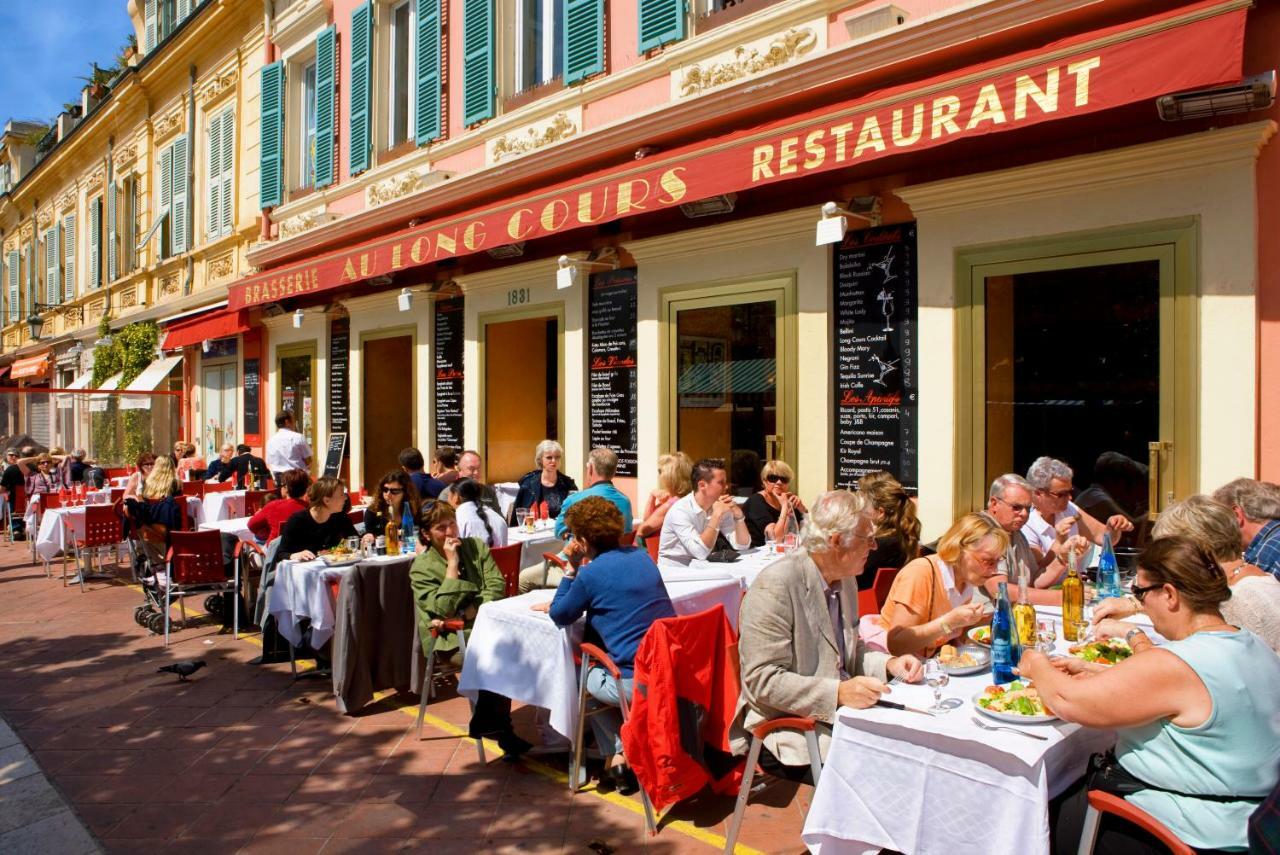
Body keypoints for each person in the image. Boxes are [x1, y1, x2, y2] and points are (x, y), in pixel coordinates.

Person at [1021, 536, 1280, 855]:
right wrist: (1120, 649)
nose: (1140, 604)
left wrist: (1036, 663)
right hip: (1253, 816)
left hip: (1187, 827)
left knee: (1044, 810)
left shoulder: (1178, 664)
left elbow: (1067, 700)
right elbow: (1178, 692)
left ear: (1169, 594)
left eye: (1140, 593)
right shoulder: (1252, 644)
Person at [733, 489, 923, 781]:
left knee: (915, 751)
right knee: (886, 772)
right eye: (867, 539)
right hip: (790, 726)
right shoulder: (776, 586)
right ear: (836, 541)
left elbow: (849, 648)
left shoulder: (845, 579)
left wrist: (888, 665)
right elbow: (763, 681)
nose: (874, 547)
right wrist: (837, 694)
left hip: (842, 714)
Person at [540, 497, 676, 794]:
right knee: (595, 669)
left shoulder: (591, 574)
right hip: (667, 671)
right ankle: (619, 756)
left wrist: (570, 569)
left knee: (575, 675)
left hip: (633, 682)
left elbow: (560, 615)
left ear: (584, 540)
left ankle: (619, 750)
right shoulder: (641, 557)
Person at [409, 501, 530, 757]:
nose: (451, 532)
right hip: (449, 639)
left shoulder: (475, 547)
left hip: (485, 627)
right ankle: (502, 729)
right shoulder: (421, 568)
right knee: (495, 655)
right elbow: (442, 611)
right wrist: (452, 566)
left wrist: (468, 610)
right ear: (426, 534)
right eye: (441, 528)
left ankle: (490, 721)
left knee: (514, 648)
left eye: (452, 523)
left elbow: (496, 586)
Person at [1092, 495, 1280, 653]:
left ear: (1191, 551)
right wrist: (1135, 603)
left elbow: (1187, 673)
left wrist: (1131, 633)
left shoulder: (1236, 603)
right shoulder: (1248, 576)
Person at [875, 513, 1008, 658]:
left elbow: (947, 638)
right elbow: (896, 644)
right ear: (959, 549)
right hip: (895, 668)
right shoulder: (921, 573)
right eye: (988, 561)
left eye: (998, 561)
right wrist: (948, 623)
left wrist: (975, 623)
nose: (995, 570)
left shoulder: (965, 580)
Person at [1022, 456, 1134, 588]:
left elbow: (1104, 538)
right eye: (1061, 494)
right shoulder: (1026, 522)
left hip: (1076, 588)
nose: (1069, 497)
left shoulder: (1068, 508)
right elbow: (1037, 576)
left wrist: (1113, 526)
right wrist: (1059, 541)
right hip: (1048, 597)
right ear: (1038, 493)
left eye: (1070, 491)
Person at [980, 473, 1071, 606]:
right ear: (994, 504)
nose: (1024, 514)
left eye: (1028, 508)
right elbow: (1000, 590)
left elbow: (1035, 581)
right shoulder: (984, 532)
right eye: (1016, 507)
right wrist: (1061, 597)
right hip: (986, 622)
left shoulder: (1016, 533)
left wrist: (1063, 559)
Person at [657, 458, 751, 567]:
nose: (726, 486)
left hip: (701, 569)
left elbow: (742, 545)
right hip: (674, 573)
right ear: (702, 485)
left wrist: (739, 517)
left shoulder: (718, 505)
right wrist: (716, 515)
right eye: (721, 482)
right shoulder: (680, 511)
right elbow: (700, 552)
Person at [855, 471, 920, 591]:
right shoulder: (903, 539)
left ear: (880, 512)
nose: (860, 511)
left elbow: (851, 581)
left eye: (864, 507)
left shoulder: (878, 547)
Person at [554, 447, 633, 538]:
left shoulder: (573, 500)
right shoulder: (625, 501)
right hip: (615, 551)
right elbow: (627, 534)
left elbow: (558, 533)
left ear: (590, 468)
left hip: (585, 551)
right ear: (614, 471)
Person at [276, 476, 358, 562]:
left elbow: (355, 540)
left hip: (333, 569)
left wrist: (366, 538)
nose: (346, 498)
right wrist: (295, 555)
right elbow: (281, 554)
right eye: (342, 495)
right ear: (326, 500)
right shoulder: (298, 520)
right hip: (304, 571)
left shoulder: (340, 517)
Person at [1212, 477, 1280, 579]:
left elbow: (1249, 592)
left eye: (1218, 521)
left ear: (1236, 515)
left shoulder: (1265, 555)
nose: (1216, 532)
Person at [742, 460, 807, 548]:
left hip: (782, 552)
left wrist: (802, 510)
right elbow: (775, 539)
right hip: (758, 554)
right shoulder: (756, 502)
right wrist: (785, 507)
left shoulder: (788, 499)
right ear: (764, 481)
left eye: (784, 479)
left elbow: (807, 531)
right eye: (773, 478)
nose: (779, 482)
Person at [513, 440, 577, 521]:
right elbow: (517, 516)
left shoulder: (568, 484)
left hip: (559, 532)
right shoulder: (528, 485)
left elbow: (576, 513)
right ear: (540, 460)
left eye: (557, 457)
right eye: (549, 457)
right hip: (532, 530)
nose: (553, 461)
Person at [636, 452, 692, 541]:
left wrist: (653, 496)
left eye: (661, 471)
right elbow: (647, 519)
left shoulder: (672, 504)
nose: (659, 476)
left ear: (670, 478)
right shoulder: (689, 498)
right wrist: (652, 495)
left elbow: (642, 530)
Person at [247, 469, 311, 544]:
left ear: (286, 488)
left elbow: (251, 525)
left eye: (281, 485)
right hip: (303, 551)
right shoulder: (311, 508)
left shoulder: (273, 506)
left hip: (275, 552)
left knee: (257, 539)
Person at [361, 470, 422, 547]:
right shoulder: (373, 511)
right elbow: (370, 536)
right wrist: (368, 538)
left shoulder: (414, 510)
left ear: (405, 492)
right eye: (385, 490)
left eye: (394, 491)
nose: (388, 494)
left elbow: (420, 535)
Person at [449, 477, 508, 547]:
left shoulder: (457, 519)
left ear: (456, 497)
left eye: (448, 496)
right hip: (501, 557)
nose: (448, 500)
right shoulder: (497, 517)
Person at [265, 411, 313, 483]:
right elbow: (308, 460)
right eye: (293, 420)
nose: (294, 423)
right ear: (287, 422)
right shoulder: (298, 437)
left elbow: (270, 462)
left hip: (279, 479)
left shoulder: (270, 441)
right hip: (296, 478)